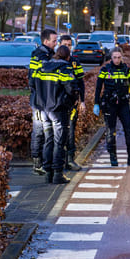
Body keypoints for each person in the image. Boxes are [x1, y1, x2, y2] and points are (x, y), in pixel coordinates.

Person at [31, 44, 78, 184]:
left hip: (44, 109)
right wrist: (71, 102)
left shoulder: (42, 67)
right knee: (59, 142)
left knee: (48, 140)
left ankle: (48, 173)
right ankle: (58, 174)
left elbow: (33, 84)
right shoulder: (65, 68)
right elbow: (71, 88)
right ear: (68, 57)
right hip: (58, 110)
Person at [95, 49, 130, 167]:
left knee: (129, 129)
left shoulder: (126, 69)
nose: (117, 60)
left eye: (119, 57)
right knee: (111, 131)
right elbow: (98, 87)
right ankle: (113, 157)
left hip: (123, 103)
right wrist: (96, 103)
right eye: (115, 57)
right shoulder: (105, 70)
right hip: (110, 104)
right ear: (111, 58)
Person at [28, 29, 58, 175]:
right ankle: (37, 162)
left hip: (45, 100)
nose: (56, 43)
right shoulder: (40, 56)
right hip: (39, 101)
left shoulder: (49, 54)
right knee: (39, 131)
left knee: (46, 131)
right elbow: (33, 80)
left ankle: (44, 161)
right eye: (54, 41)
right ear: (46, 41)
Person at [57, 34, 86, 171]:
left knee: (70, 131)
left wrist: (83, 101)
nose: (67, 47)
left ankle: (70, 159)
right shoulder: (53, 62)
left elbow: (81, 82)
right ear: (59, 44)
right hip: (57, 103)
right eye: (65, 45)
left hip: (71, 103)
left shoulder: (75, 62)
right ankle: (57, 161)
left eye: (69, 45)